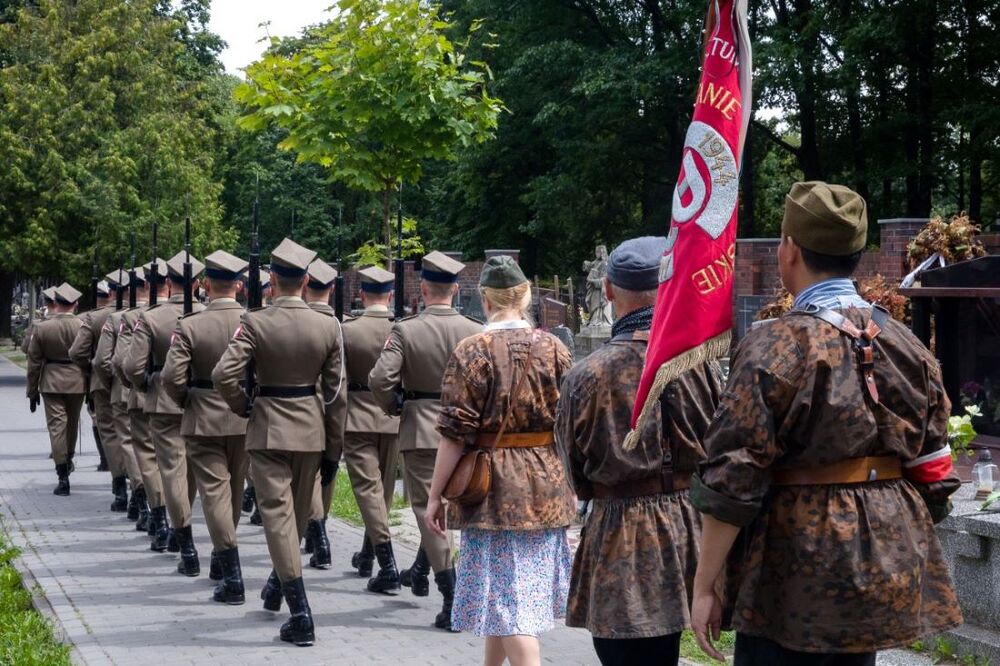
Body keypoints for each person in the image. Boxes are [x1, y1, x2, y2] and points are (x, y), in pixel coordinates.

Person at [690, 181, 963, 665]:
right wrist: (893, 532)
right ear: (857, 253)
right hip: (883, 561)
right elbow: (935, 465)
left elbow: (733, 478)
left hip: (792, 572)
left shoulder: (775, 345)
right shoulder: (904, 343)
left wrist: (705, 582)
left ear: (790, 249)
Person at [555, 237, 724, 666]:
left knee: (623, 654)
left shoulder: (586, 375)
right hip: (690, 526)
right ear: (669, 286)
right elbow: (724, 447)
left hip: (620, 532)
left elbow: (571, 472)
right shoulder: (699, 363)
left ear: (609, 290)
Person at [425, 255, 576, 666]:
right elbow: (571, 421)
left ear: (485, 301)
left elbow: (455, 434)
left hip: (492, 488)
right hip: (546, 483)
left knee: (513, 610)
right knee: (504, 598)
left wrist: (435, 495)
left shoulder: (473, 351)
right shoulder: (556, 348)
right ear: (525, 297)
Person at [213, 238, 347, 647]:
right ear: (306, 280)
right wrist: (333, 449)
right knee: (297, 516)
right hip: (311, 428)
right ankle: (282, 588)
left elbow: (223, 374)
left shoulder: (254, 322)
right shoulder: (329, 325)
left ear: (271, 279)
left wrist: (245, 406)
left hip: (268, 425)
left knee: (278, 518)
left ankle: (301, 614)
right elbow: (336, 395)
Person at [369, 250, 482, 628]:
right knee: (454, 507)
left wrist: (396, 405)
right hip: (466, 430)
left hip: (421, 428)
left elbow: (380, 379)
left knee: (425, 508)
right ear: (455, 289)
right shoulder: (475, 330)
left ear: (423, 288)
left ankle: (451, 595)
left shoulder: (405, 329)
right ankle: (424, 569)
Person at [162, 250, 250, 603]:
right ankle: (221, 555)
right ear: (240, 286)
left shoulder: (190, 324)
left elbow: (171, 376)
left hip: (203, 415)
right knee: (235, 488)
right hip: (243, 417)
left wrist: (185, 400)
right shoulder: (253, 320)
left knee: (215, 492)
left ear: (205, 285)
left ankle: (230, 570)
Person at [126, 252, 206, 575]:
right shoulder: (208, 314)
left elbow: (131, 366)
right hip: (199, 400)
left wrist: (147, 384)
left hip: (162, 401)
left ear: (168, 282)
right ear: (199, 283)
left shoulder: (152, 317)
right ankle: (179, 527)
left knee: (171, 469)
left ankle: (183, 541)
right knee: (189, 471)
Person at [341, 266, 401, 590]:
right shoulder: (401, 328)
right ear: (390, 294)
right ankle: (367, 554)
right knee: (383, 493)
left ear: (362, 294)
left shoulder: (348, 330)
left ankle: (387, 564)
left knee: (369, 491)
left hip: (358, 416)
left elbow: (338, 380)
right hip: (392, 417)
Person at [115, 262, 168, 551]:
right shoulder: (192, 313)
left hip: (144, 395)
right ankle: (176, 522)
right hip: (185, 400)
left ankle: (157, 518)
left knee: (146, 457)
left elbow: (121, 362)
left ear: (146, 286)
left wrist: (138, 384)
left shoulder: (134, 317)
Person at [96, 270, 147, 527]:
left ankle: (137, 496)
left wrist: (113, 385)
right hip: (165, 394)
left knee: (128, 443)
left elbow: (104, 361)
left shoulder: (117, 319)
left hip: (124, 389)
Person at [26, 283, 86, 496]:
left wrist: (32, 391)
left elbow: (33, 362)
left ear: (56, 303)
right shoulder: (82, 325)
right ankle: (68, 459)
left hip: (51, 380)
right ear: (75, 304)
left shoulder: (42, 327)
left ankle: (62, 475)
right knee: (71, 425)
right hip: (77, 380)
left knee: (56, 426)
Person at [70, 279, 125, 509]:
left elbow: (77, 352)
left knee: (111, 434)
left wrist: (89, 372)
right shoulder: (142, 313)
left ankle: (120, 487)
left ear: (111, 292)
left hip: (102, 382)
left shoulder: (94, 317)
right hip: (134, 383)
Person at [301, 258, 339, 570]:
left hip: (302, 410)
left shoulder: (297, 320)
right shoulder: (338, 326)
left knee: (308, 480)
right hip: (328, 410)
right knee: (321, 475)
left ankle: (318, 532)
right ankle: (319, 529)